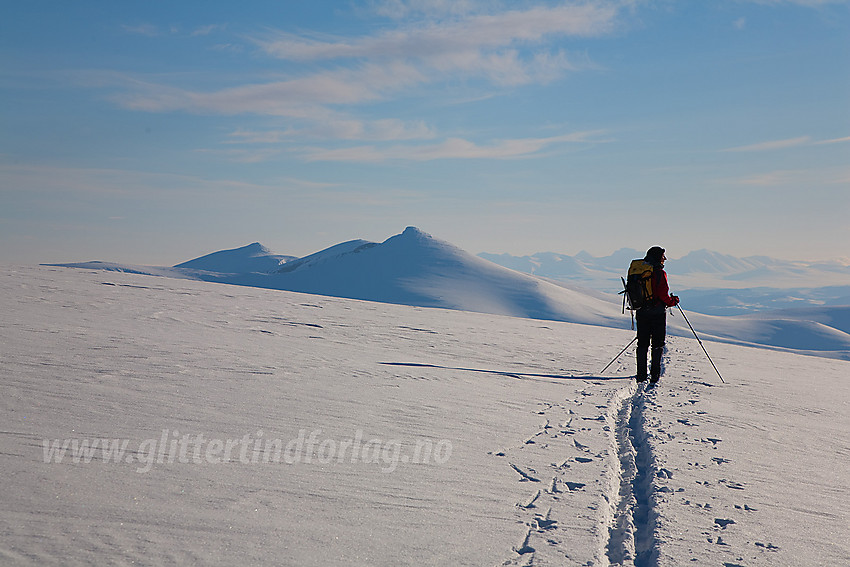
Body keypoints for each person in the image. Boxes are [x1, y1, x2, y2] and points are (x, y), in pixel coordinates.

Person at [636, 246, 679, 384]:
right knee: (657, 343)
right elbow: (663, 294)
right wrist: (673, 301)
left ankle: (641, 374)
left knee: (642, 343)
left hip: (641, 311)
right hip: (657, 313)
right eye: (662, 257)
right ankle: (655, 375)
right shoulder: (660, 273)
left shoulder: (639, 270)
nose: (664, 259)